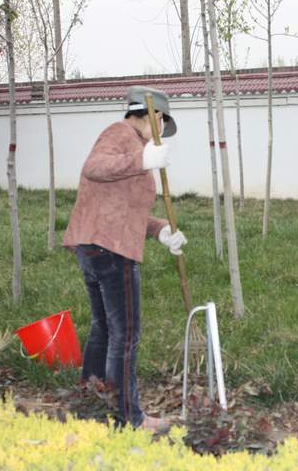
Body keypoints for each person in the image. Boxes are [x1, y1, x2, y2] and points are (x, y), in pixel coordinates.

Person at [63, 86, 187, 432]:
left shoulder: (130, 142)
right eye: (163, 124)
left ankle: (92, 403)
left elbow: (122, 207)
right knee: (125, 335)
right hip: (111, 251)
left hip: (96, 245)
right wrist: (143, 160)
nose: (161, 132)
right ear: (156, 117)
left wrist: (161, 230)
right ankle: (128, 418)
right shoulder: (120, 134)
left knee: (104, 328)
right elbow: (94, 167)